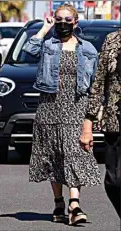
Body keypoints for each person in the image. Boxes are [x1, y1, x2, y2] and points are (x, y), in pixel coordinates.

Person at [23, 4, 101, 226]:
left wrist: (92, 116)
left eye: (68, 20)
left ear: (76, 22)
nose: (64, 23)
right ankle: (58, 202)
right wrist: (43, 29)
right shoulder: (48, 44)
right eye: (59, 19)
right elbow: (29, 51)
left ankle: (74, 204)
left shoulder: (88, 49)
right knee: (53, 154)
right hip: (49, 106)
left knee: (75, 153)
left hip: (76, 106)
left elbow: (94, 84)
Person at [80, 29, 121, 218]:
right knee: (113, 182)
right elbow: (98, 84)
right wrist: (88, 123)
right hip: (114, 124)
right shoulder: (112, 40)